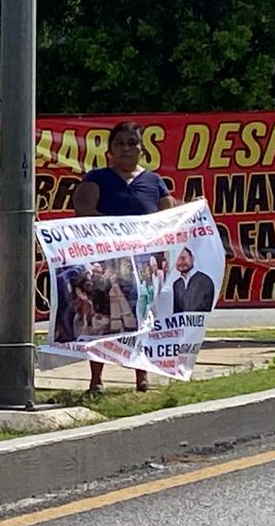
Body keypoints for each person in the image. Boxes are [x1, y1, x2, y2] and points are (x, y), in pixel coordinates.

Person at [73, 120, 176, 393]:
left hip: (143, 266)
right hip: (105, 262)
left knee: (142, 319)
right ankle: (96, 381)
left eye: (133, 143)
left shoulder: (154, 182)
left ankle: (141, 378)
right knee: (102, 320)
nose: (127, 148)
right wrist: (120, 231)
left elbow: (170, 219)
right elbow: (83, 210)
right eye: (120, 143)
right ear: (110, 151)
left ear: (142, 149)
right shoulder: (97, 179)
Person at [172, 246, 216, 313]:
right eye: (177, 259)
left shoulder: (204, 281)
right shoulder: (177, 284)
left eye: (183, 258)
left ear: (192, 258)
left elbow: (200, 309)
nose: (180, 262)